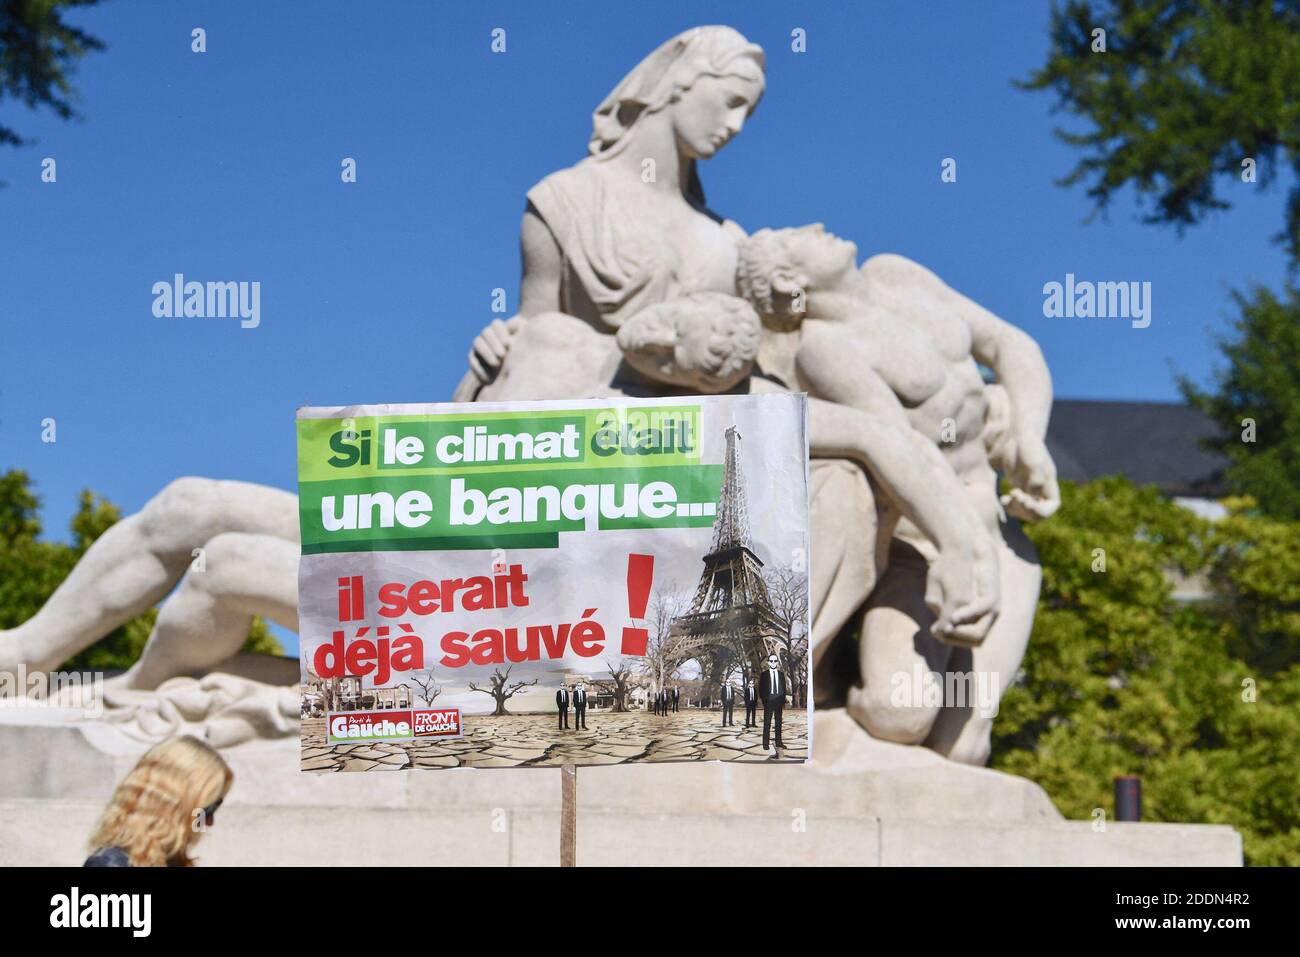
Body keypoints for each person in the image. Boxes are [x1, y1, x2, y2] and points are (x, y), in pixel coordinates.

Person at [736, 224, 1060, 761]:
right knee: (901, 716)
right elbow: (910, 456)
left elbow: (1010, 343)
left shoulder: (896, 274)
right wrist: (960, 549)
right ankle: (831, 690)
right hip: (922, 544)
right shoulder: (825, 352)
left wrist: (1030, 440)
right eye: (800, 236)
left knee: (966, 745)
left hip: (994, 526)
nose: (818, 226)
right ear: (790, 277)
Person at [84, 735, 232, 867]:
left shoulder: (173, 862)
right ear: (175, 807)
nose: (210, 821)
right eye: (208, 809)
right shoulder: (111, 863)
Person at [759, 653, 787, 755]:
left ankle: (779, 742)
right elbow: (761, 689)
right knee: (767, 723)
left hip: (778, 701)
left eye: (775, 661)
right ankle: (765, 743)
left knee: (778, 723)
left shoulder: (781, 674)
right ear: (768, 662)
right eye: (771, 661)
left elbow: (783, 688)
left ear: (777, 662)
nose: (773, 663)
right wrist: (765, 701)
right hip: (769, 701)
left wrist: (782, 700)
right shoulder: (764, 674)